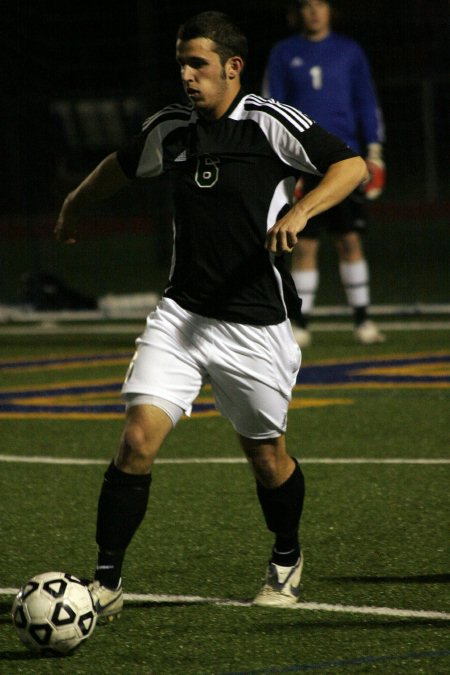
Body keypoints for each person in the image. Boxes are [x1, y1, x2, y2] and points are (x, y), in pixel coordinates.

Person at [54, 11, 367, 613]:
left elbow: (348, 165)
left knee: (266, 456)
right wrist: (72, 207)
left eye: (198, 64)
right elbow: (118, 167)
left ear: (232, 67)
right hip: (181, 317)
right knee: (136, 440)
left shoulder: (268, 123)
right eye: (181, 64)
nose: (187, 76)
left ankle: (285, 557)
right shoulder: (171, 128)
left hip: (254, 325)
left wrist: (301, 213)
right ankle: (107, 581)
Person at [264, 0, 386, 347]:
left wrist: (374, 150)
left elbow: (366, 100)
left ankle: (363, 321)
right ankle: (300, 326)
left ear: (332, 10)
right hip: (303, 161)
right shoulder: (284, 52)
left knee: (350, 240)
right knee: (303, 245)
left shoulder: (349, 51)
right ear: (297, 12)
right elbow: (273, 106)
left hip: (344, 161)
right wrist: (284, 159)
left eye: (321, 5)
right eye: (307, 6)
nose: (314, 12)